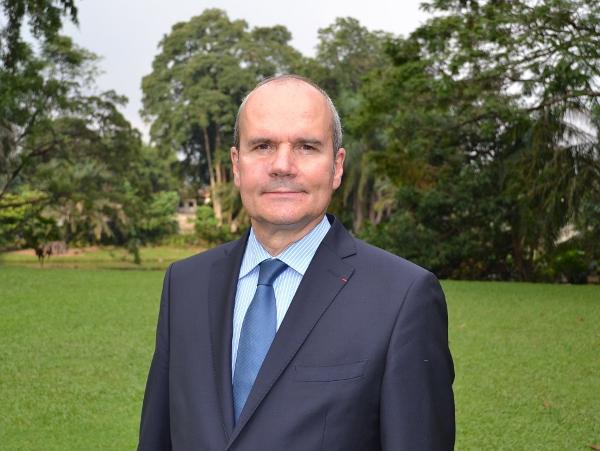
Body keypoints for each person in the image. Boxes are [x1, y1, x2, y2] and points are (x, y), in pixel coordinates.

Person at [138, 74, 455, 450]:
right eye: (262, 146)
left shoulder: (402, 297)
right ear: (237, 165)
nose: (282, 165)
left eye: (306, 146)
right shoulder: (185, 284)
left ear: (337, 166)